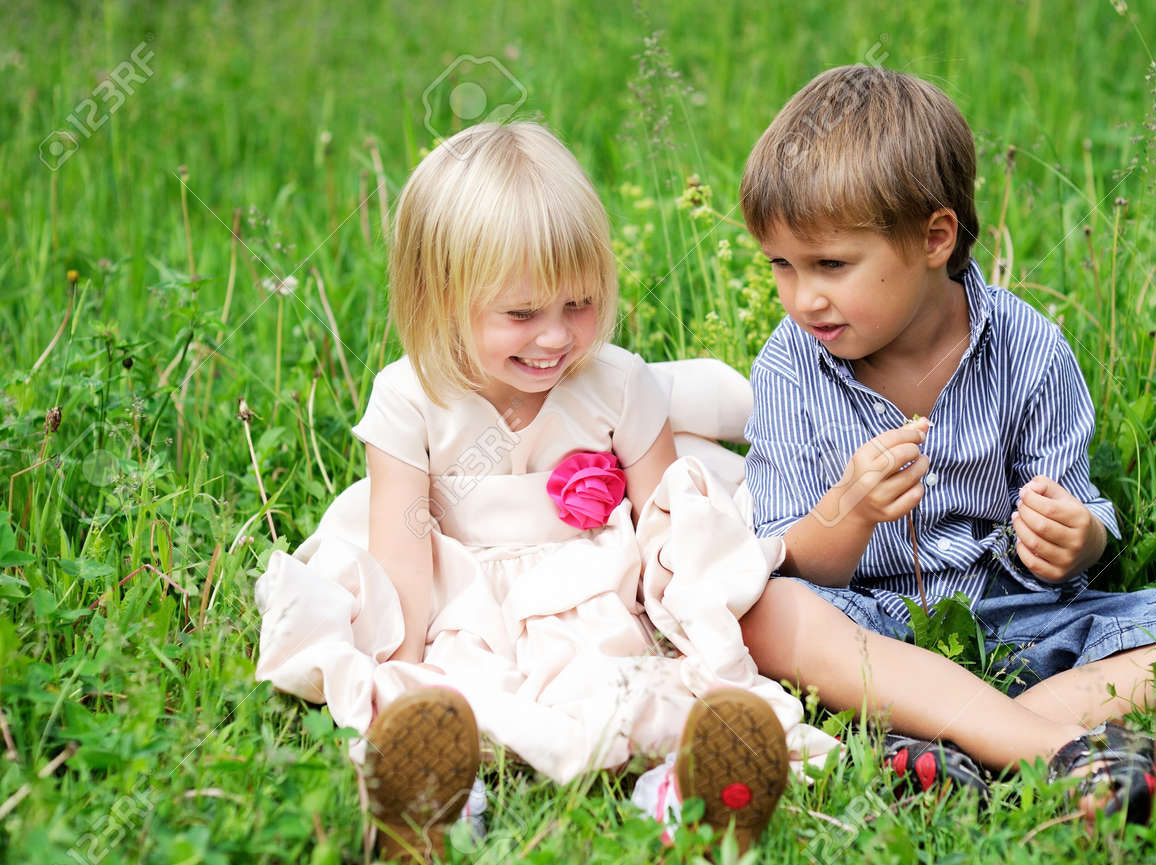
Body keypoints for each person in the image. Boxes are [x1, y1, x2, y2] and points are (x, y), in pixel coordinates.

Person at [253, 121, 836, 862]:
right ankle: (438, 791)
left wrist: (687, 628)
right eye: (522, 314)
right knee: (449, 695)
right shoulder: (410, 399)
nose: (556, 338)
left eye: (579, 304)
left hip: (595, 586)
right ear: (440, 297)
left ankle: (682, 793)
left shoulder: (617, 383)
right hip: (466, 599)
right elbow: (402, 558)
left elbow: (667, 526)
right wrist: (404, 666)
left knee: (635, 687)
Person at [733, 65, 1156, 822]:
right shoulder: (789, 365)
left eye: (831, 264)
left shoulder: (1028, 349)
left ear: (935, 237)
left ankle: (955, 735)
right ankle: (1053, 745)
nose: (804, 298)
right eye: (781, 266)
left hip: (1020, 616)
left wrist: (1078, 538)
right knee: (765, 609)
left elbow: (1071, 525)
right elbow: (793, 555)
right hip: (872, 622)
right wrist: (850, 511)